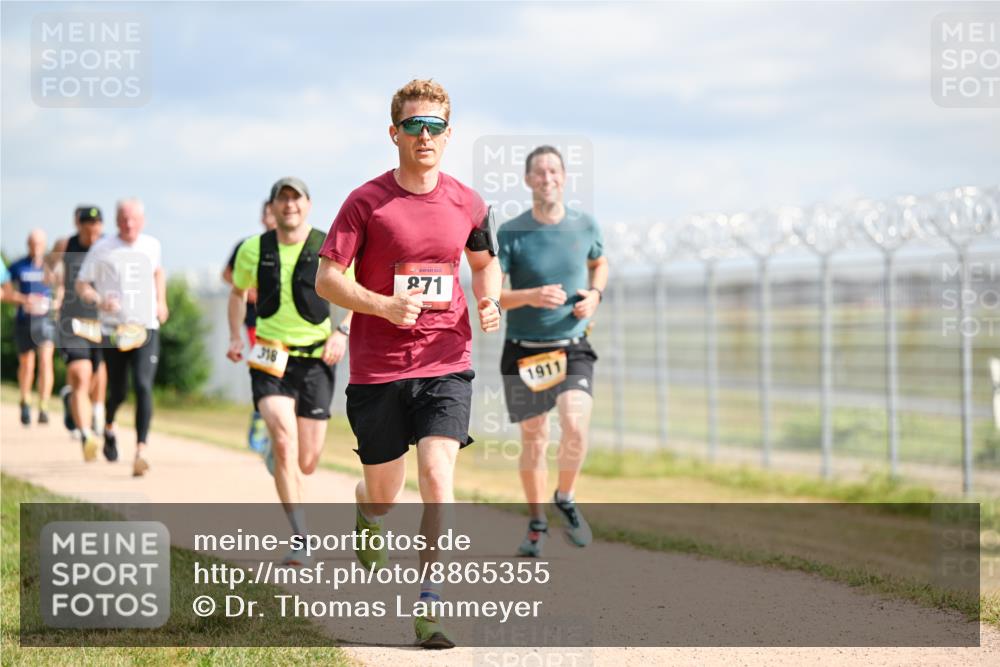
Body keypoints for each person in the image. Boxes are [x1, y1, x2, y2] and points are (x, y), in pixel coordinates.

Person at [315, 78, 502, 649]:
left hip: (447, 357)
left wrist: (490, 298)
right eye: (415, 126)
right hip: (378, 369)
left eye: (436, 127)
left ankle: (430, 605)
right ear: (394, 132)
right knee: (384, 494)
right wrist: (384, 305)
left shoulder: (468, 202)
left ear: (449, 135)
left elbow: (483, 262)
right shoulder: (364, 202)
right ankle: (367, 517)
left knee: (439, 480)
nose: (426, 136)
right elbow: (327, 279)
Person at [227, 177, 351, 565]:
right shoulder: (252, 248)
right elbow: (236, 292)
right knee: (284, 439)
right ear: (273, 207)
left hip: (315, 359)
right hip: (269, 355)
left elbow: (351, 292)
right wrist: (235, 337)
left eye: (296, 199)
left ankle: (279, 459)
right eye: (282, 199)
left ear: (308, 205)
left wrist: (342, 332)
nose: (289, 205)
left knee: (307, 460)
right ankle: (301, 538)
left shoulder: (327, 243)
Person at [497, 145, 608, 557]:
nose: (547, 178)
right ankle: (537, 521)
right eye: (539, 172)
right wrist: (530, 296)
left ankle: (566, 495)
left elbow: (601, 263)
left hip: (572, 346)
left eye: (554, 171)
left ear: (564, 177)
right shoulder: (511, 231)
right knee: (535, 437)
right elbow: (495, 296)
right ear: (528, 181)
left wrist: (595, 295)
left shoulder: (585, 224)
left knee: (575, 424)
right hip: (524, 351)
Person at [76, 199, 168, 476]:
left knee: (143, 385)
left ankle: (141, 450)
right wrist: (98, 299)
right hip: (114, 331)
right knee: (118, 392)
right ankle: (109, 426)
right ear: (117, 221)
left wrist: (161, 300)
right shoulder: (102, 249)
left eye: (134, 219)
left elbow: (158, 271)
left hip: (145, 328)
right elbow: (82, 284)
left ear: (143, 221)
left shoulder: (152, 245)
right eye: (124, 219)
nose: (129, 224)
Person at [48, 205, 109, 461]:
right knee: (80, 375)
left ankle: (89, 408)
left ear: (102, 226)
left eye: (96, 224)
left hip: (103, 321)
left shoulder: (109, 246)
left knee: (99, 374)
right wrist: (56, 288)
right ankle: (86, 435)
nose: (92, 229)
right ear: (79, 225)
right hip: (72, 320)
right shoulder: (66, 244)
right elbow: (50, 268)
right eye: (87, 224)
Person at [222, 201, 277, 453]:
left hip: (288, 325)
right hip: (256, 321)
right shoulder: (248, 246)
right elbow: (227, 274)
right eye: (266, 212)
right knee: (267, 369)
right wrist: (248, 289)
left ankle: (272, 423)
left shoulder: (292, 247)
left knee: (282, 373)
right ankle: (260, 420)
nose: (269, 217)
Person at [8, 229, 59, 427]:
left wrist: (55, 303)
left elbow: (63, 289)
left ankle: (44, 405)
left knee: (46, 361)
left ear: (44, 245)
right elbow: (5, 292)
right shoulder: (17, 266)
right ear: (27, 244)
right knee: (27, 364)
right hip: (24, 320)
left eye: (39, 244)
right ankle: (25, 400)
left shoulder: (51, 267)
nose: (35, 247)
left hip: (45, 320)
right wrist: (23, 299)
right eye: (32, 243)